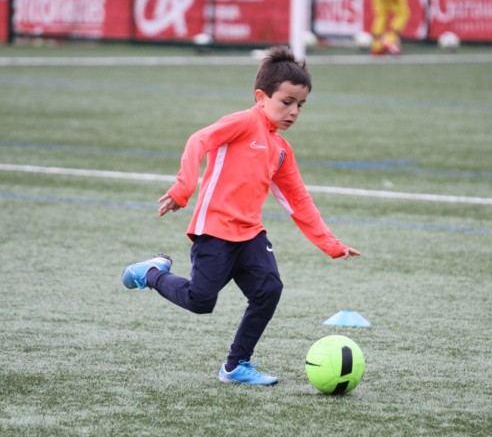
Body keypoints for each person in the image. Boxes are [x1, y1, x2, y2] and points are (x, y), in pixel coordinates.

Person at [122, 46, 360, 386]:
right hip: (215, 230)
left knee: (269, 289)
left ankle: (236, 366)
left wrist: (331, 244)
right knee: (200, 301)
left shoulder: (281, 149)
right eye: (286, 102)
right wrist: (182, 188)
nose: (293, 111)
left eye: (300, 105)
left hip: (250, 234)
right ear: (261, 97)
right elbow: (198, 140)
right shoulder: (244, 122)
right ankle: (152, 273)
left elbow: (298, 200)